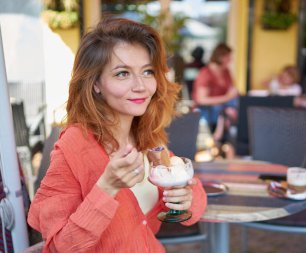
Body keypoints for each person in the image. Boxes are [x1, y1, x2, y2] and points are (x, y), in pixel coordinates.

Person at [27, 18, 207, 253]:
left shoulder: (148, 139)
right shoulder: (74, 146)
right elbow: (61, 247)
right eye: (122, 74)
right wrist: (107, 187)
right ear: (96, 83)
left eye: (147, 71)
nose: (140, 86)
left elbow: (192, 194)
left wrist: (187, 198)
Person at [192, 43, 239, 143]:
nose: (231, 60)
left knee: (236, 103)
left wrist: (231, 96)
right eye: (228, 57)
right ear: (221, 57)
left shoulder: (226, 71)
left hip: (223, 107)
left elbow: (231, 90)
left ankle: (224, 135)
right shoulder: (205, 73)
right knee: (226, 109)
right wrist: (227, 97)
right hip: (207, 109)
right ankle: (221, 137)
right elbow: (202, 100)